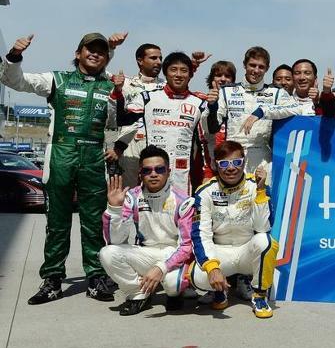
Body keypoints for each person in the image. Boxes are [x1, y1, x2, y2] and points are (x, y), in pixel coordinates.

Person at [2, 31, 127, 304]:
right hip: (60, 154)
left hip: (94, 157)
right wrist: (14, 55)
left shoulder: (111, 87)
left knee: (93, 222)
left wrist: (117, 145)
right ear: (78, 53)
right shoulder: (56, 79)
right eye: (89, 49)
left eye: (101, 51)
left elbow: (124, 120)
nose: (95, 54)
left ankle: (95, 278)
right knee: (57, 223)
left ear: (107, 57)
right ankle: (53, 280)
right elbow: (13, 80)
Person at [100, 146, 195, 315]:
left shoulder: (184, 201)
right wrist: (114, 209)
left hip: (173, 254)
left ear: (168, 171)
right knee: (107, 253)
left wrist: (162, 268)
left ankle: (174, 293)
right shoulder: (131, 197)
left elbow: (187, 246)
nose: (153, 174)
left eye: (159, 169)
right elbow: (115, 240)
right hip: (146, 253)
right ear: (140, 173)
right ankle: (138, 293)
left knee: (174, 285)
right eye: (147, 170)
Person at [190, 140, 278, 318]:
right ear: (215, 165)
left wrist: (261, 191)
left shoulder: (257, 185)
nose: (231, 168)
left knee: (265, 241)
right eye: (224, 164)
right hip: (220, 252)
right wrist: (212, 268)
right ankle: (219, 290)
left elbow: (263, 227)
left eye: (236, 162)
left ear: (244, 162)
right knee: (196, 276)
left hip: (247, 250)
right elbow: (201, 235)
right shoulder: (205, 191)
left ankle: (259, 294)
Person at [115, 52, 209, 194]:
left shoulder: (200, 103)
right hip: (152, 172)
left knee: (179, 214)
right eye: (173, 70)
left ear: (190, 75)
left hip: (183, 176)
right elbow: (123, 120)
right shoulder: (148, 98)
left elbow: (207, 140)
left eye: (184, 71)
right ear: (165, 73)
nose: (178, 75)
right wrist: (118, 92)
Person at [208, 46, 303, 173]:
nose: (256, 70)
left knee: (262, 193)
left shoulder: (276, 92)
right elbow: (213, 128)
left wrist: (262, 111)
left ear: (267, 69)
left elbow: (298, 109)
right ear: (244, 65)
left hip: (262, 158)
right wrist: (213, 107)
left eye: (261, 67)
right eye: (252, 65)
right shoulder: (227, 91)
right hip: (233, 157)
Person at [113, 43, 163, 187]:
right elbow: (99, 71)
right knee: (129, 192)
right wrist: (111, 47)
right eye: (153, 58)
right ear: (140, 60)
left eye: (160, 58)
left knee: (157, 190)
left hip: (157, 143)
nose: (158, 62)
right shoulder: (126, 83)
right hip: (129, 145)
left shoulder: (166, 87)